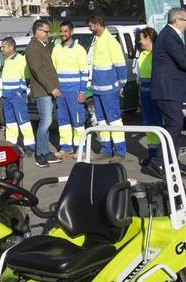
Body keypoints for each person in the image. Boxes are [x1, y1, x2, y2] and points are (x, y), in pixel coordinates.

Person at [150, 7, 186, 174]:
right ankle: (158, 161)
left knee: (175, 125)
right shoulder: (169, 36)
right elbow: (182, 59)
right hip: (167, 91)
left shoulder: (169, 35)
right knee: (175, 125)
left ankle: (172, 163)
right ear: (177, 21)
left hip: (170, 91)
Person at [87, 14, 128, 160]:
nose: (90, 28)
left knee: (114, 120)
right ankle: (105, 149)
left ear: (97, 25)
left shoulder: (110, 41)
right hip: (97, 89)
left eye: (91, 26)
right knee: (101, 120)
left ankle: (120, 151)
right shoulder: (96, 39)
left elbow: (120, 64)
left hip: (109, 90)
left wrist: (122, 84)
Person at [26, 20, 62, 167]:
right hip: (43, 90)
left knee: (46, 123)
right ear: (37, 32)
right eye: (46, 31)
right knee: (45, 122)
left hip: (47, 90)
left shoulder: (40, 45)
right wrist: (51, 88)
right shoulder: (33, 47)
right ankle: (39, 154)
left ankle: (46, 152)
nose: (48, 34)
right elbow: (37, 70)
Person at [51, 20, 88, 156]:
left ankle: (81, 149)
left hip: (74, 92)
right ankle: (66, 148)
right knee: (63, 122)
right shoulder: (56, 49)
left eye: (65, 31)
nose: (63, 34)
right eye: (61, 31)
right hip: (60, 92)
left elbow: (84, 72)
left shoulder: (79, 50)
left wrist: (82, 91)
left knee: (78, 121)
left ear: (71, 32)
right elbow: (53, 71)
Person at [0, 37, 35, 154]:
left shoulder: (21, 60)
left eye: (3, 46)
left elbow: (27, 78)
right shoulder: (7, 60)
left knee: (23, 122)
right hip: (6, 97)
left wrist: (19, 92)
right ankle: (11, 146)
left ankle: (30, 147)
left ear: (11, 47)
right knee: (10, 124)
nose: (1, 49)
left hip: (16, 97)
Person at [135, 27, 160, 160]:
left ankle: (160, 155)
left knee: (158, 124)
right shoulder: (142, 55)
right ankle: (152, 155)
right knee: (148, 124)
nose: (140, 42)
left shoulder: (158, 54)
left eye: (141, 39)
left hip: (156, 96)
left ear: (149, 39)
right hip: (145, 97)